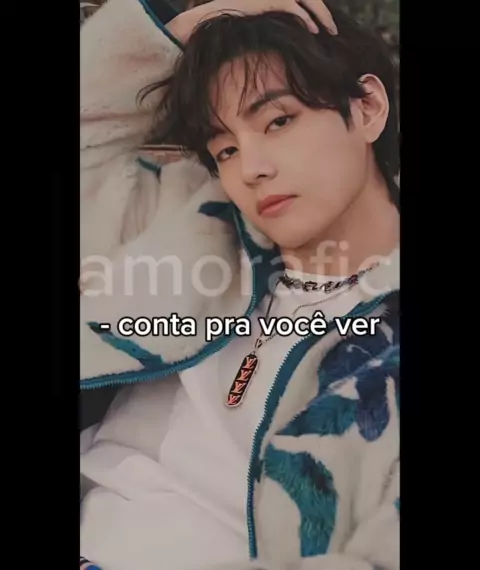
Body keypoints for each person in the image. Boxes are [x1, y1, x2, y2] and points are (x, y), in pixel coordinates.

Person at [79, 0, 400, 569]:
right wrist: (189, 28)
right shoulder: (192, 225)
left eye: (278, 121)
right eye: (225, 148)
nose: (250, 168)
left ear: (369, 107)